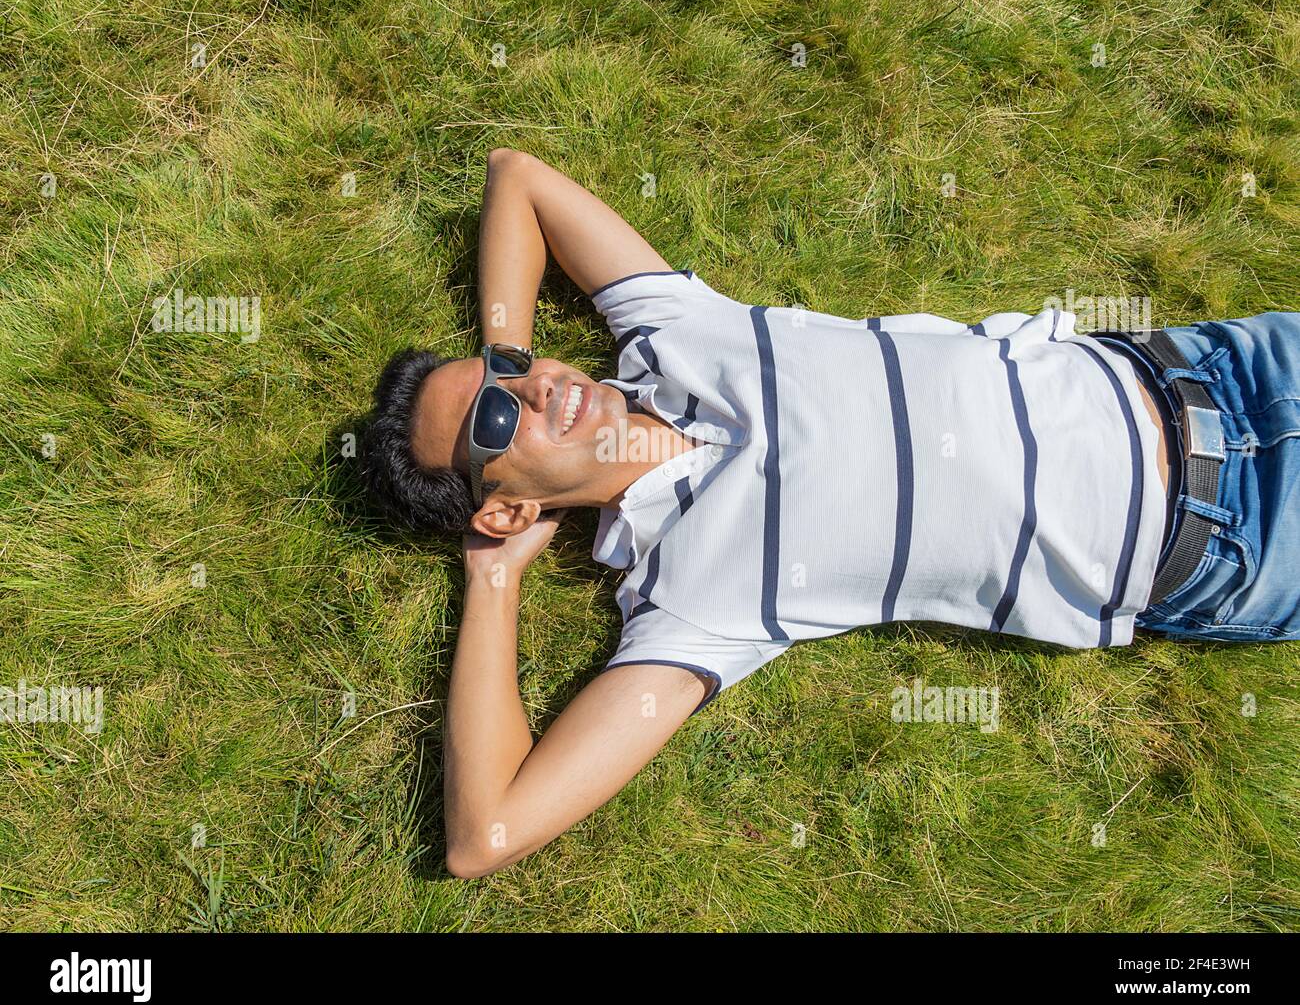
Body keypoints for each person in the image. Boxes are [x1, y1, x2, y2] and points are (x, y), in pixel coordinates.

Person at [360, 148, 1300, 878]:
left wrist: (506, 356)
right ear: (504, 508)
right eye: (495, 416)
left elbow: (515, 177)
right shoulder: (690, 606)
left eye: (514, 372)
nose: (535, 388)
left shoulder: (675, 331)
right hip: (1237, 538)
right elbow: (485, 834)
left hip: (1219, 368)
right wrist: (493, 581)